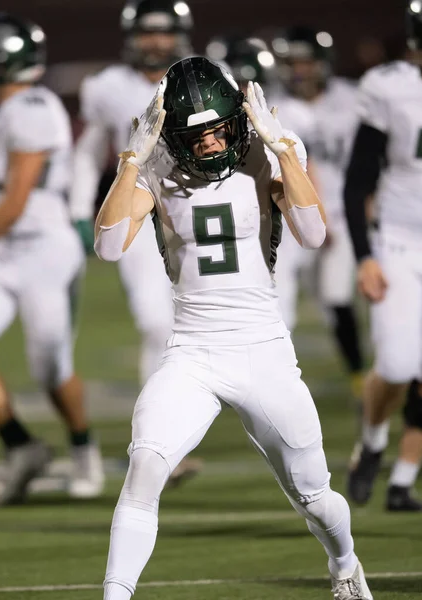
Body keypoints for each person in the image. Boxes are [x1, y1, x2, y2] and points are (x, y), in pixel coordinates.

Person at [95, 56, 373, 600]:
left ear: (239, 117)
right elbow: (108, 247)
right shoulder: (156, 165)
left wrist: (286, 153)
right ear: (173, 132)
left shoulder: (269, 151)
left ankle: (345, 565)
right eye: (195, 133)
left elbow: (314, 233)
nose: (210, 141)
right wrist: (131, 160)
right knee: (145, 468)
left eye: (220, 126)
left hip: (263, 348)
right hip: (192, 354)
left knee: (314, 496)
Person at [70, 0, 201, 485]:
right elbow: (89, 151)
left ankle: (180, 431)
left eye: (164, 33)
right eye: (147, 33)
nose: (155, 43)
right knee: (154, 323)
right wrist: (79, 209)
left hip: (198, 213)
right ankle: (163, 444)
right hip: (140, 211)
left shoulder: (202, 75)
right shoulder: (106, 86)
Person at [0, 12, 104, 505]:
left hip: (42, 251)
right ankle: (21, 446)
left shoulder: (33, 105)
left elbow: (15, 199)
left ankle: (83, 450)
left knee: (51, 368)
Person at [344, 0, 422, 511]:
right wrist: (364, 255)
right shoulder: (391, 86)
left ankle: (404, 477)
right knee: (396, 366)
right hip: (398, 240)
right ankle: (372, 442)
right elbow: (357, 180)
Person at [271, 27, 366, 402]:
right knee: (319, 301)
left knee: (339, 294)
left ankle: (365, 378)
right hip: (304, 216)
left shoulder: (353, 99)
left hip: (352, 212)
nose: (300, 71)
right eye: (293, 63)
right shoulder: (276, 107)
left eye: (307, 62)